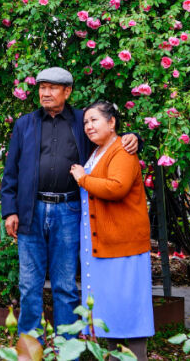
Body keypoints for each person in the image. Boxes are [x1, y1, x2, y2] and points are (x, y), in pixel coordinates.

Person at [0, 67, 140, 337]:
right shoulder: (24, 124)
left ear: (67, 91)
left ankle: (67, 348)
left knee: (65, 284)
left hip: (70, 211)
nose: (45, 93)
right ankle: (30, 346)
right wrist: (10, 211)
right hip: (31, 211)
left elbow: (108, 142)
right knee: (29, 285)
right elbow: (11, 172)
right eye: (42, 87)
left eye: (52, 88)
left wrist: (134, 138)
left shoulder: (81, 121)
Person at [69, 101, 153, 359]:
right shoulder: (97, 152)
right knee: (109, 312)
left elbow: (117, 188)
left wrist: (83, 178)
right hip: (102, 247)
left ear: (112, 122)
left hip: (122, 246)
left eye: (94, 120)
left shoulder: (122, 150)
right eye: (85, 122)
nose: (88, 126)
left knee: (129, 311)